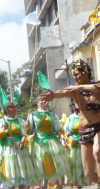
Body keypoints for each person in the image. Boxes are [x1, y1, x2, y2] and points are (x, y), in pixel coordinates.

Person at [40, 59, 100, 187]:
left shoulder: (96, 86)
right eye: (74, 75)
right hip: (84, 131)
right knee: (89, 174)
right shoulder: (75, 91)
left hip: (99, 127)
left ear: (86, 72)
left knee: (98, 150)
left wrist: (79, 86)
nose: (76, 77)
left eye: (78, 74)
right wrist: (53, 96)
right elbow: (64, 93)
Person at [26, 98, 70, 189]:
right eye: (42, 100)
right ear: (38, 102)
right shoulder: (32, 115)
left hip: (52, 142)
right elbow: (29, 131)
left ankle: (60, 186)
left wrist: (62, 136)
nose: (44, 102)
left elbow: (57, 129)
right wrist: (28, 126)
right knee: (43, 165)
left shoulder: (53, 115)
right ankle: (44, 187)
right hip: (39, 143)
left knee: (56, 164)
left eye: (46, 100)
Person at [0, 102, 37, 189]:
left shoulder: (20, 121)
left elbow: (24, 134)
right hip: (6, 150)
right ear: (6, 110)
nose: (15, 108)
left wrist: (22, 142)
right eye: (12, 107)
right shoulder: (0, 122)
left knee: (21, 173)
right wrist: (4, 129)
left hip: (20, 149)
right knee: (10, 175)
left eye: (15, 107)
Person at [64, 103, 90, 188]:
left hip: (87, 143)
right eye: (75, 106)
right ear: (73, 107)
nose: (77, 108)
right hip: (75, 144)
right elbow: (68, 132)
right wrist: (72, 140)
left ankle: (90, 180)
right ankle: (78, 183)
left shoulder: (88, 116)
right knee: (76, 164)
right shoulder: (70, 118)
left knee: (87, 163)